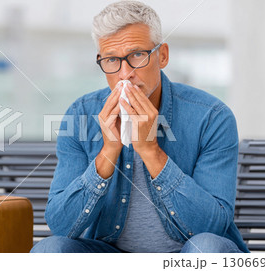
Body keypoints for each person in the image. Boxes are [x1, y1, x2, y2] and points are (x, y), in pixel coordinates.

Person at [31, 0, 249, 253]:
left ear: (162, 55)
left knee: (207, 247)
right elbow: (62, 226)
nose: (125, 74)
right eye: (112, 60)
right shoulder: (80, 114)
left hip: (187, 253)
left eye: (137, 55)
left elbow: (211, 226)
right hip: (112, 254)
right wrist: (108, 152)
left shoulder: (211, 117)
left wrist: (150, 151)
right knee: (50, 250)